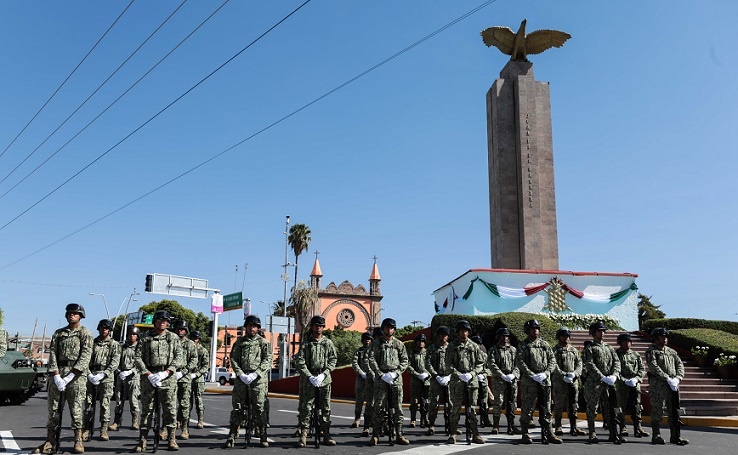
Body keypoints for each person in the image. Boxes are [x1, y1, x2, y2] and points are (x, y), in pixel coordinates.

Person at [33, 303, 93, 455]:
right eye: (70, 313)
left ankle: (78, 440)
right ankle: (50, 440)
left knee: (76, 410)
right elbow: (52, 353)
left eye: (75, 313)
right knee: (53, 410)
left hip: (76, 376)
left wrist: (72, 375)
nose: (72, 315)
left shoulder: (85, 333)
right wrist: (56, 375)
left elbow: (86, 356)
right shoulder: (59, 333)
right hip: (58, 373)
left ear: (81, 316)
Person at [132, 310, 183, 452]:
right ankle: (142, 441)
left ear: (168, 323)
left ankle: (171, 439)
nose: (162, 322)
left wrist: (166, 372)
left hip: (167, 377)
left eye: (165, 320)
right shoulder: (145, 338)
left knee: (170, 409)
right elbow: (137, 357)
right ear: (154, 321)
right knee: (147, 411)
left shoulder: (173, 338)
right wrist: (148, 374)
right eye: (159, 320)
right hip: (149, 377)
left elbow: (179, 357)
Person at [223, 315, 271, 448]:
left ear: (258, 328)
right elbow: (233, 358)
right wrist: (240, 373)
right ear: (246, 327)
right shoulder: (239, 342)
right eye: (250, 325)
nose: (252, 328)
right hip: (242, 378)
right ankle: (232, 436)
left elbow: (267, 360)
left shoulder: (263, 343)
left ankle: (263, 435)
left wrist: (257, 373)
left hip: (258, 379)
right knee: (237, 407)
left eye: (254, 326)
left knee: (259, 407)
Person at [516, 319, 561, 444]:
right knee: (527, 407)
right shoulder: (523, 345)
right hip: (530, 382)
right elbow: (520, 362)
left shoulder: (545, 344)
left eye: (537, 328)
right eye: (533, 329)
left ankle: (549, 432)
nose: (535, 331)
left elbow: (552, 361)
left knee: (546, 407)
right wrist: (532, 375)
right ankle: (525, 432)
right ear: (528, 331)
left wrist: (546, 373)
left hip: (544, 381)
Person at [295, 315, 338, 447]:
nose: (318, 328)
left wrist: (324, 374)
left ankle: (326, 434)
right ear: (312, 327)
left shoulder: (328, 343)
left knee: (325, 408)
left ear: (323, 328)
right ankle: (303, 435)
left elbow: (333, 359)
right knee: (306, 408)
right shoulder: (306, 343)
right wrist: (309, 376)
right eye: (316, 325)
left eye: (320, 326)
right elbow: (300, 361)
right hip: (308, 379)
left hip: (324, 379)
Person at [368, 318, 409, 446]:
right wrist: (380, 374)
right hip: (382, 378)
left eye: (391, 327)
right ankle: (375, 435)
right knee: (378, 407)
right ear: (383, 329)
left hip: (396, 378)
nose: (389, 330)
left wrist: (396, 373)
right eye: (386, 327)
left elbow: (405, 361)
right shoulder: (376, 343)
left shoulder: (399, 344)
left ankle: (399, 434)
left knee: (397, 407)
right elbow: (371, 359)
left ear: (394, 330)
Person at [645, 327, 688, 446]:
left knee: (674, 411)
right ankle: (656, 435)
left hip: (673, 385)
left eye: (666, 337)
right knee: (657, 411)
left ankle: (675, 436)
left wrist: (678, 378)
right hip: (659, 385)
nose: (665, 339)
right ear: (656, 338)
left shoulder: (671, 351)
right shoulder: (651, 351)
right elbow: (653, 367)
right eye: (662, 337)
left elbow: (680, 365)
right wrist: (667, 378)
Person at [445, 320, 485, 444]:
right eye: (462, 330)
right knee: (455, 408)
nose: (464, 333)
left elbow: (480, 363)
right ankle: (452, 433)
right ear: (458, 332)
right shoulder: (452, 346)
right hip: (457, 381)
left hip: (471, 381)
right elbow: (448, 363)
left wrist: (471, 374)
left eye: (466, 331)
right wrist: (458, 374)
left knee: (472, 408)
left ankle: (475, 433)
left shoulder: (473, 346)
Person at [582, 321, 622, 444]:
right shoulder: (590, 348)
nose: (602, 333)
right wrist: (601, 376)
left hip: (609, 382)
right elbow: (590, 364)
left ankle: (612, 432)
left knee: (610, 408)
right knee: (592, 408)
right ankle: (592, 432)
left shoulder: (609, 347)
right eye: (599, 331)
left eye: (603, 330)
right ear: (593, 333)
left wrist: (614, 375)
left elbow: (616, 362)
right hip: (594, 383)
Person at [82, 319, 121, 442]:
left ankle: (103, 429)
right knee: (88, 404)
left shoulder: (114, 344)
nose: (104, 330)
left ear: (109, 330)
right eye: (102, 328)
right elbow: (85, 359)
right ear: (98, 329)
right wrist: (89, 374)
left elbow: (115, 362)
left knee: (105, 404)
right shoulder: (92, 343)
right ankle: (87, 429)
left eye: (107, 328)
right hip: (92, 374)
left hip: (106, 377)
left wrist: (104, 374)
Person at [551, 328, 585, 436]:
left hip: (572, 381)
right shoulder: (555, 350)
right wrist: (562, 375)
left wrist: (575, 373)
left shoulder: (573, 350)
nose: (566, 338)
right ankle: (558, 426)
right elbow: (553, 364)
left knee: (573, 404)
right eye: (564, 335)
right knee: (559, 404)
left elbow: (579, 363)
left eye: (568, 336)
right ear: (559, 337)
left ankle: (574, 426)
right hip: (559, 381)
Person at [487, 327, 520, 435]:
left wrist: (513, 374)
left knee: (511, 402)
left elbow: (518, 364)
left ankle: (511, 425)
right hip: (499, 380)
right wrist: (501, 375)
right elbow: (491, 364)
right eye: (503, 336)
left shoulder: (513, 350)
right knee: (498, 402)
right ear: (498, 337)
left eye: (506, 336)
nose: (505, 338)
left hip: (511, 379)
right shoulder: (494, 349)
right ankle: (496, 426)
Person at [615, 332, 648, 438]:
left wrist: (637, 379)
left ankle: (638, 426)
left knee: (637, 406)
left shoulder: (635, 354)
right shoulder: (616, 355)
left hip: (634, 384)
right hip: (622, 384)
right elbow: (615, 370)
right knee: (621, 406)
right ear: (620, 343)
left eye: (629, 341)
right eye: (625, 341)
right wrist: (624, 380)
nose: (627, 344)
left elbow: (642, 369)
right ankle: (622, 426)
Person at [110, 326, 141, 431]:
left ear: (137, 336)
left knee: (133, 399)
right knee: (118, 399)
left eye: (134, 334)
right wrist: (119, 371)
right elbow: (115, 360)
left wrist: (131, 371)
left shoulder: (139, 348)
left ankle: (135, 421)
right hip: (121, 375)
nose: (132, 336)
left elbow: (141, 363)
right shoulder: (121, 347)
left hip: (134, 376)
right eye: (130, 334)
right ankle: (116, 421)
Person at [172, 320, 198, 440]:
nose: (180, 331)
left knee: (184, 404)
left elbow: (194, 360)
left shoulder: (191, 344)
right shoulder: (170, 341)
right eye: (178, 329)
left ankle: (184, 428)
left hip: (185, 376)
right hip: (170, 375)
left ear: (186, 331)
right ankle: (167, 429)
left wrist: (184, 371)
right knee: (169, 404)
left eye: (182, 329)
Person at [425, 326, 451, 436]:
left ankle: (451, 425)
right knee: (433, 403)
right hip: (436, 379)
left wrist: (450, 375)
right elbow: (427, 363)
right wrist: (435, 375)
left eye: (444, 335)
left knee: (451, 403)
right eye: (440, 335)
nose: (442, 337)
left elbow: (457, 361)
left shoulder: (452, 348)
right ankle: (431, 424)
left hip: (449, 378)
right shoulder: (432, 348)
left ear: (448, 336)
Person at [406, 333, 430, 428]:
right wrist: (417, 374)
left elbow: (431, 365)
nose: (421, 343)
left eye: (423, 341)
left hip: (426, 380)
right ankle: (413, 419)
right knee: (414, 401)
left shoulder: (428, 353)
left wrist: (428, 374)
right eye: (419, 341)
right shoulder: (412, 353)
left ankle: (425, 418)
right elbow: (408, 366)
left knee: (425, 401)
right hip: (415, 380)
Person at [351, 331, 373, 430]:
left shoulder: (374, 351)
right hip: (361, 379)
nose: (367, 341)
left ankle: (369, 420)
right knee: (359, 400)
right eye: (365, 340)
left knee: (370, 401)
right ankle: (357, 419)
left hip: (371, 379)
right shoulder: (358, 351)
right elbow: (354, 363)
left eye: (369, 340)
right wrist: (361, 373)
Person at [189, 330, 210, 429]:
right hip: (187, 376)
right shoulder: (187, 349)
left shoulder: (203, 351)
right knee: (186, 400)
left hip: (198, 378)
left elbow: (206, 366)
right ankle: (182, 420)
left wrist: (197, 374)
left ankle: (200, 420)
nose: (194, 340)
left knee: (198, 399)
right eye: (193, 338)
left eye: (196, 338)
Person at [471, 335, 492, 428]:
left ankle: (485, 419)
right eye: (476, 344)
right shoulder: (468, 355)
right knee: (473, 401)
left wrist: (483, 375)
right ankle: (472, 420)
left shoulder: (484, 355)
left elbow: (489, 368)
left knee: (484, 401)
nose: (478, 346)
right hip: (472, 380)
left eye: (479, 344)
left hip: (483, 380)